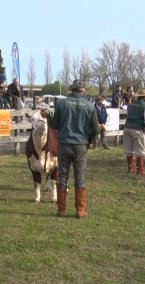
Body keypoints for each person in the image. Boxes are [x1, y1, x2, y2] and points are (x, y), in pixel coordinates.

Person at [40, 79, 99, 219]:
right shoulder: (90, 106)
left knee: (62, 177)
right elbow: (96, 129)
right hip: (80, 146)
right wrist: (89, 140)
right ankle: (80, 210)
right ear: (83, 90)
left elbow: (54, 125)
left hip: (64, 144)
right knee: (80, 178)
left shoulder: (62, 103)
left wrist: (48, 115)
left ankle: (61, 209)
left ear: (72, 89)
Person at [123, 88, 145, 176]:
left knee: (128, 149)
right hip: (138, 129)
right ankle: (140, 170)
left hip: (127, 128)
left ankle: (130, 169)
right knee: (140, 150)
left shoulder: (130, 105)